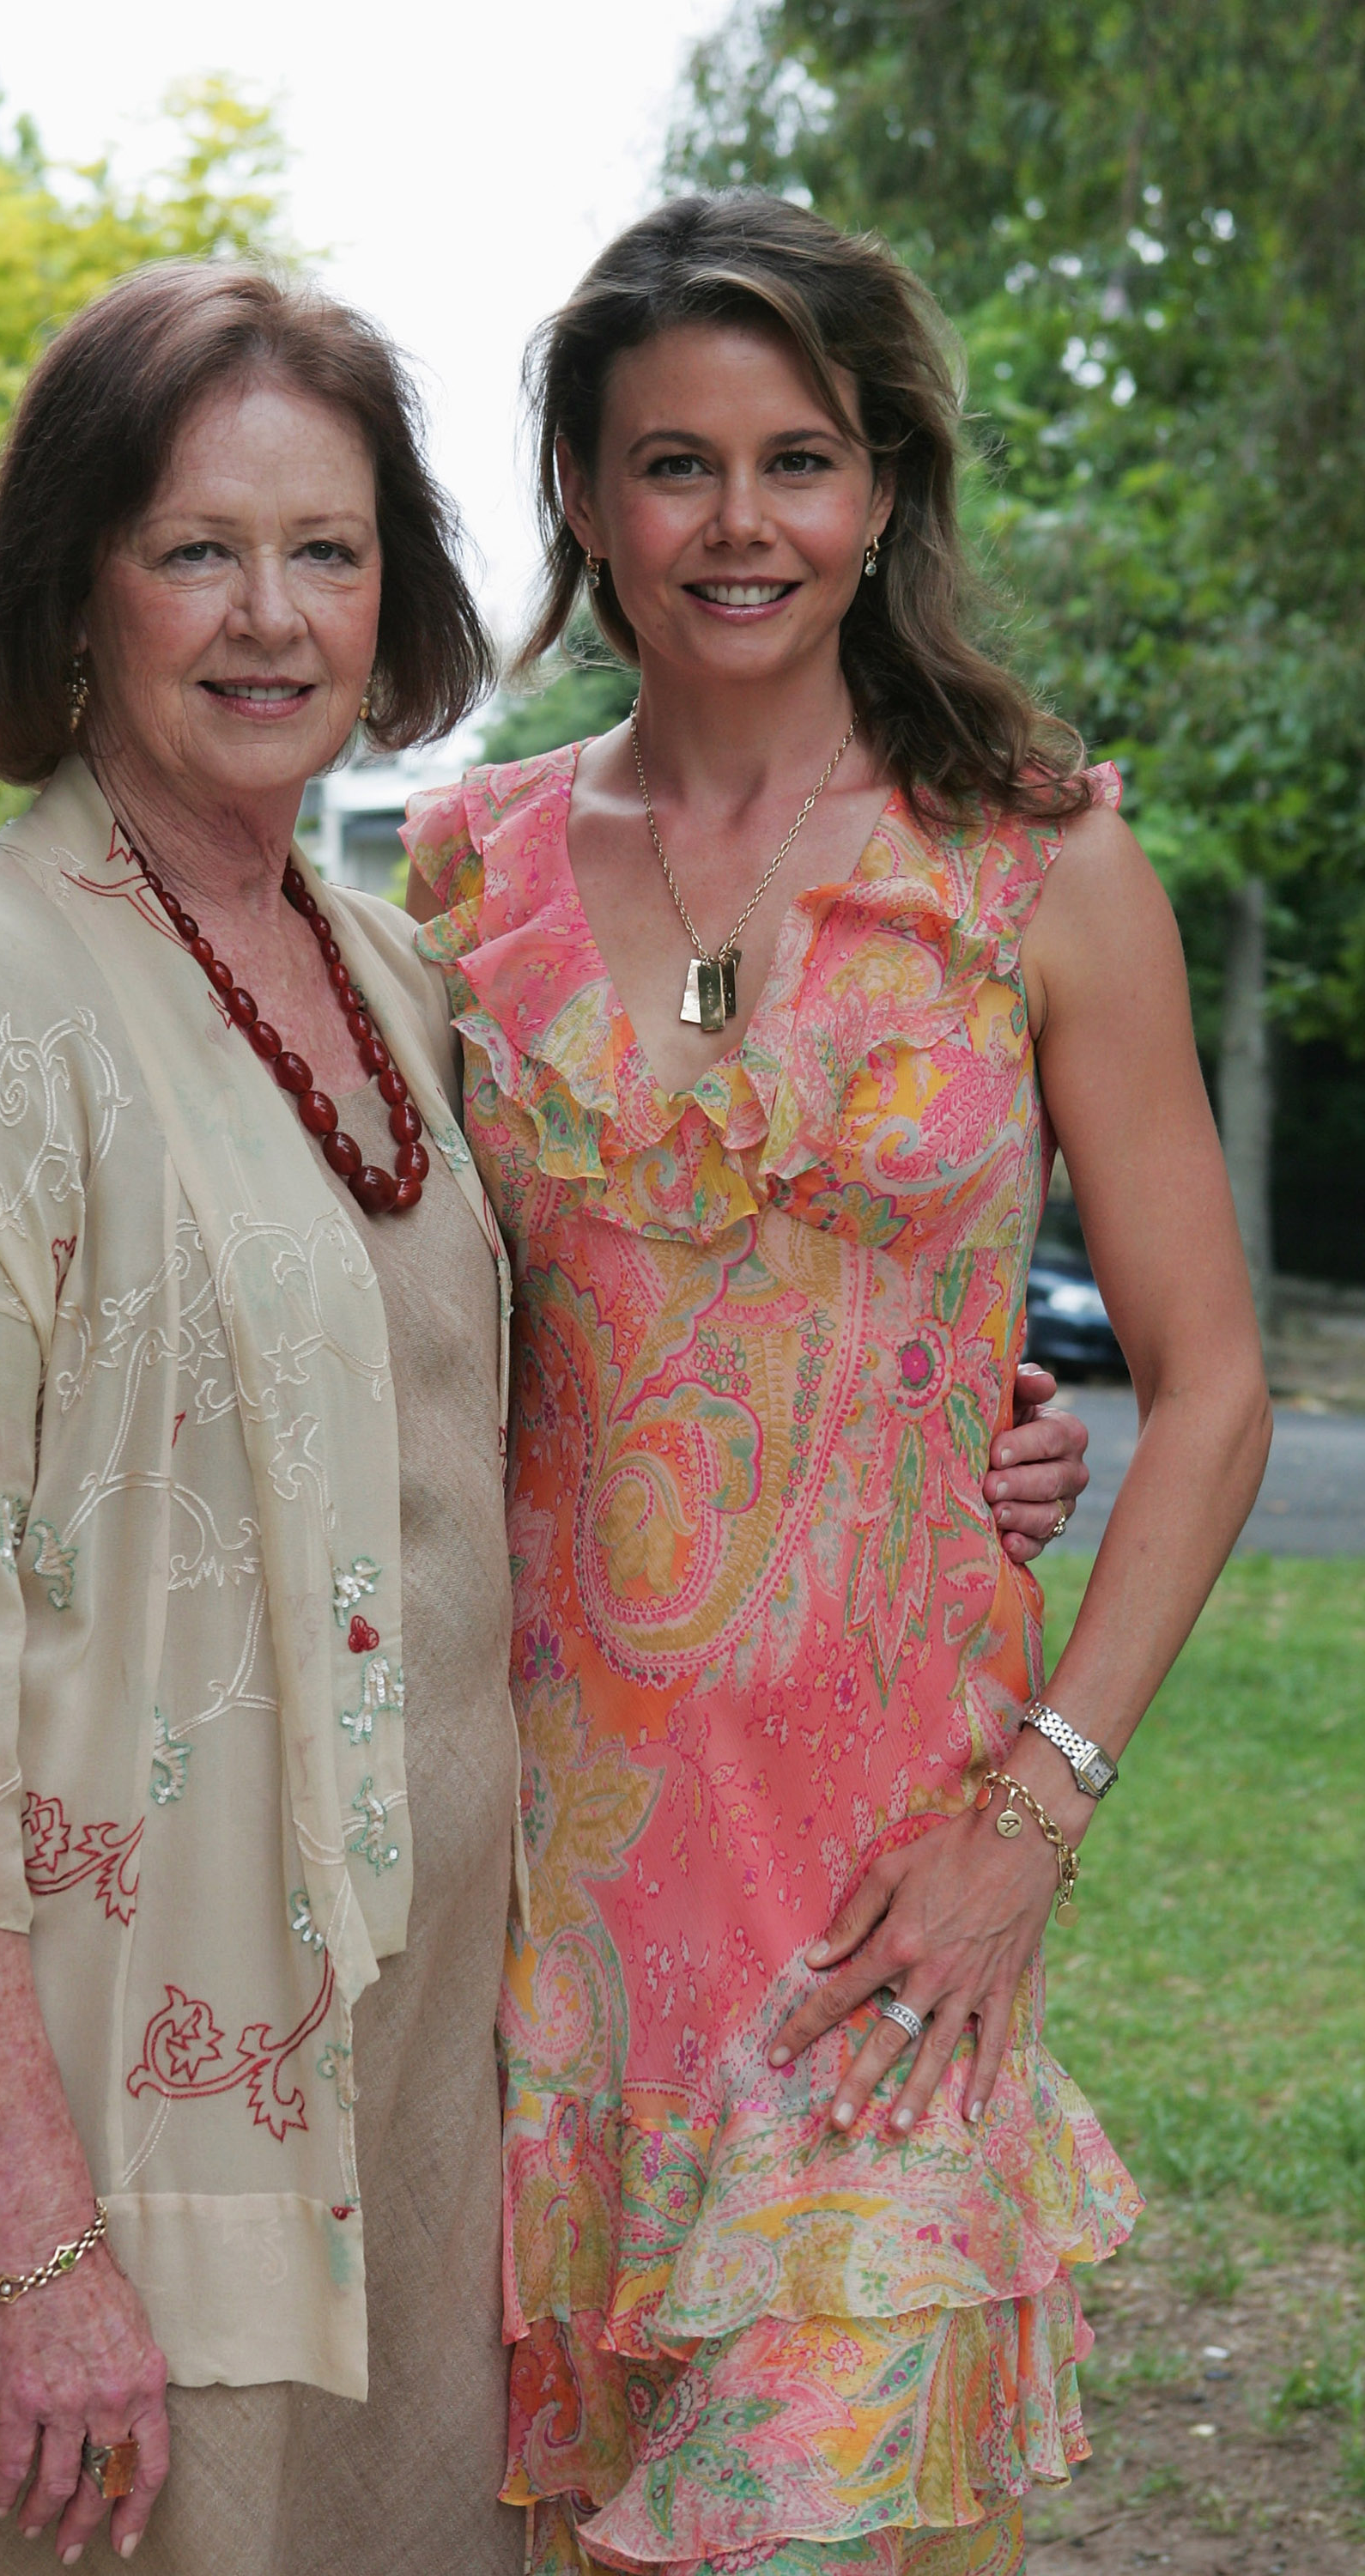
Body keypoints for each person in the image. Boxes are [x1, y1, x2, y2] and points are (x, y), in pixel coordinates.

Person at [0, 255, 1085, 2574]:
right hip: (103, 2143)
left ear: (397, 593)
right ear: (76, 590)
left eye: (326, 550)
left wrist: (937, 1422)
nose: (269, 618)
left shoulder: (383, 963)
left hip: (412, 2124)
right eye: (196, 550)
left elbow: (589, 1341)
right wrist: (44, 2247)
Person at [403, 195, 1270, 2576]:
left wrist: (1043, 1806)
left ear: (885, 487)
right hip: (542, 1935)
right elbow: (394, 1356)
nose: (739, 522)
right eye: (672, 464)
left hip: (894, 1915)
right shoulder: (461, 884)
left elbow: (1208, 1388)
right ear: (579, 494)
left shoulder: (1036, 863)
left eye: (799, 457)